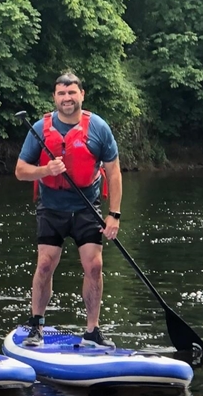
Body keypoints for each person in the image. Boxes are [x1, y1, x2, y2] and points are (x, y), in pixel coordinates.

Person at [14, 72, 123, 348]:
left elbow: (114, 172)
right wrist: (45, 169)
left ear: (81, 95)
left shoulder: (98, 127)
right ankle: (37, 325)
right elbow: (20, 171)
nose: (67, 98)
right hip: (51, 207)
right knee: (45, 264)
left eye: (72, 92)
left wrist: (115, 214)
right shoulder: (39, 128)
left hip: (87, 206)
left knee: (95, 266)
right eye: (62, 94)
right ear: (54, 97)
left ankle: (92, 330)